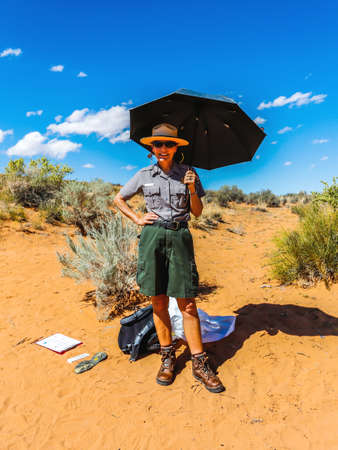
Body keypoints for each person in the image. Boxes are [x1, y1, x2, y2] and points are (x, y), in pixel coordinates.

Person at [114, 123, 225, 393]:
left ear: (177, 148)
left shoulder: (189, 173)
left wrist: (190, 189)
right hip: (153, 237)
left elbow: (197, 212)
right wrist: (138, 218)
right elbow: (119, 199)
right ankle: (167, 357)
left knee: (187, 303)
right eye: (158, 144)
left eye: (169, 144)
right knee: (158, 300)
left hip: (180, 236)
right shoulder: (143, 175)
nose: (163, 149)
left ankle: (199, 363)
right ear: (151, 148)